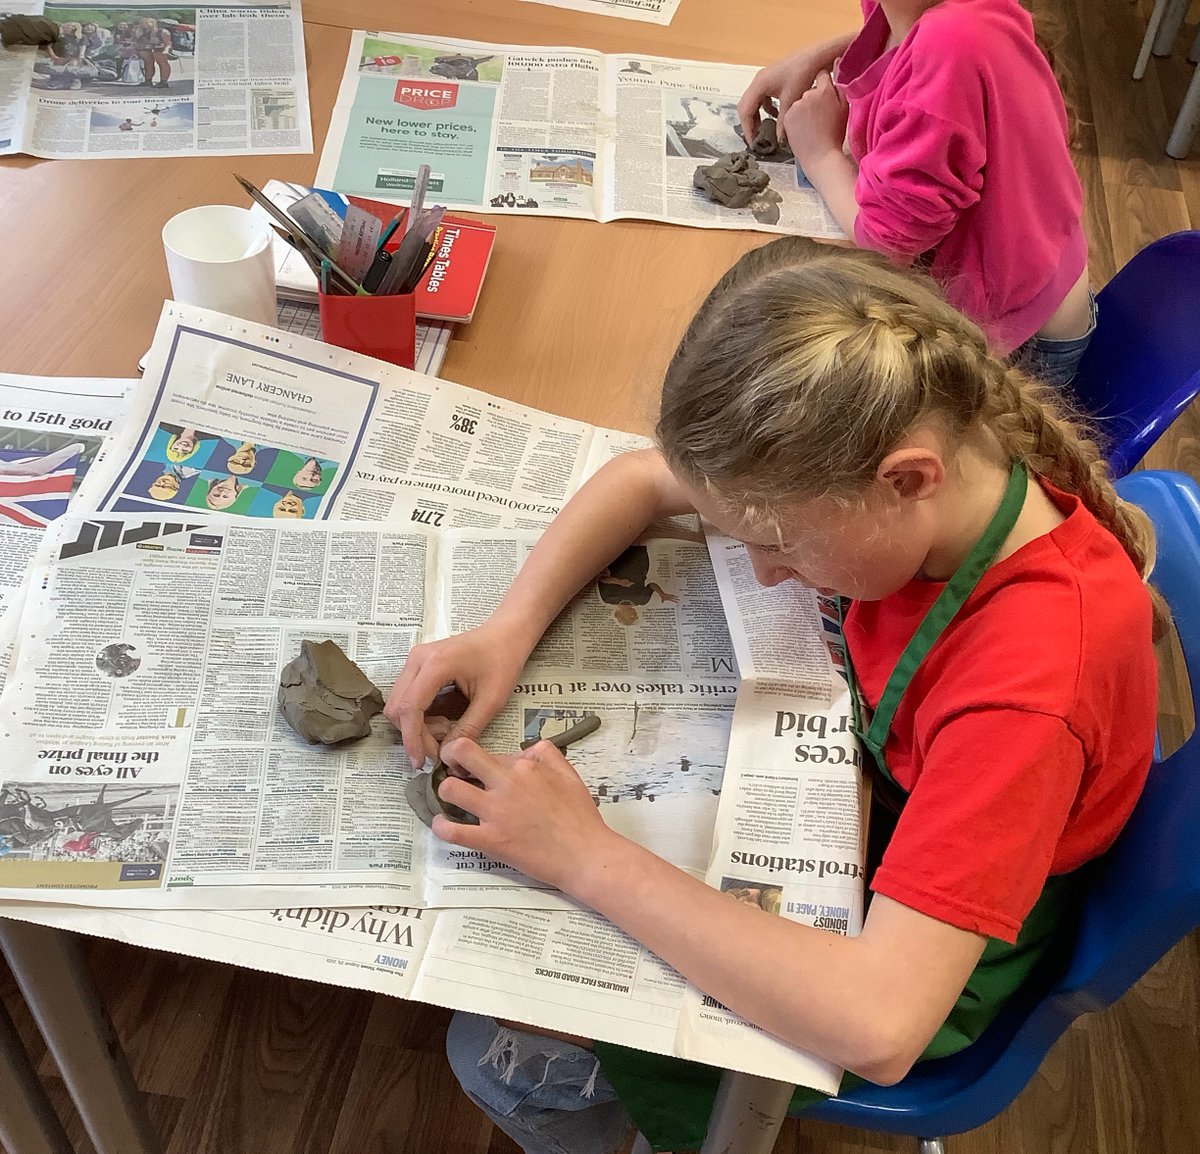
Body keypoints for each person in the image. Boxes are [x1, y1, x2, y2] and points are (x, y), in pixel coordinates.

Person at [384, 239, 1160, 1153]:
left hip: (933, 958)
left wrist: (583, 856)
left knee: (496, 1054)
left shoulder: (1026, 696)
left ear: (906, 482)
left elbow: (881, 1024)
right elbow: (640, 478)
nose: (764, 570)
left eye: (783, 544)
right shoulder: (955, 446)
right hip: (903, 804)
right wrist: (503, 633)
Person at [738, 1, 1092, 385]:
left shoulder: (951, 44)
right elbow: (915, 47)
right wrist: (829, 52)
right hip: (1029, 292)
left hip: (1022, 347)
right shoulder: (933, 20)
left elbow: (886, 244)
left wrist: (820, 155)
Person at [596, 544, 679, 626]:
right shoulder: (642, 601)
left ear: (620, 615)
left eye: (632, 617)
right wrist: (662, 594)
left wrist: (620, 582)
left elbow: (602, 579)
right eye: (636, 617)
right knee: (639, 540)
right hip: (640, 564)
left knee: (620, 541)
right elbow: (651, 585)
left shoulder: (608, 599)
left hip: (619, 563)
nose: (635, 614)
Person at [133, 17, 171, 89]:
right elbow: (137, 42)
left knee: (162, 64)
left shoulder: (162, 31)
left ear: (153, 23)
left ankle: (164, 82)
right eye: (143, 23)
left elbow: (168, 43)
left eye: (147, 22)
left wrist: (166, 50)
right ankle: (148, 80)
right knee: (148, 64)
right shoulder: (141, 32)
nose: (145, 24)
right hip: (147, 49)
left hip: (159, 49)